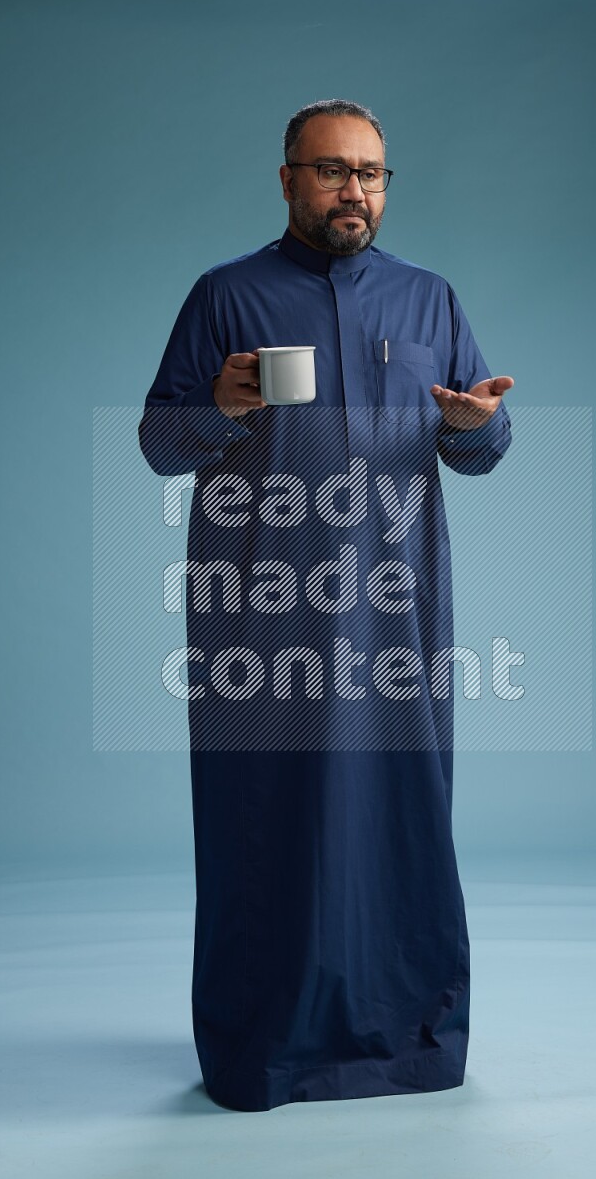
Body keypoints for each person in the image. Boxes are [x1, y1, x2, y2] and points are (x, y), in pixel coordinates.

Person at [138, 99, 514, 1112]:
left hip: (394, 610)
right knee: (261, 812)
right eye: (332, 170)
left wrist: (480, 424)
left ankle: (407, 1034)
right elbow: (158, 440)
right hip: (259, 607)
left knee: (398, 816)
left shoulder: (428, 300)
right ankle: (261, 1043)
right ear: (287, 179)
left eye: (372, 173)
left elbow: (478, 445)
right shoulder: (226, 297)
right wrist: (214, 408)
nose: (354, 189)